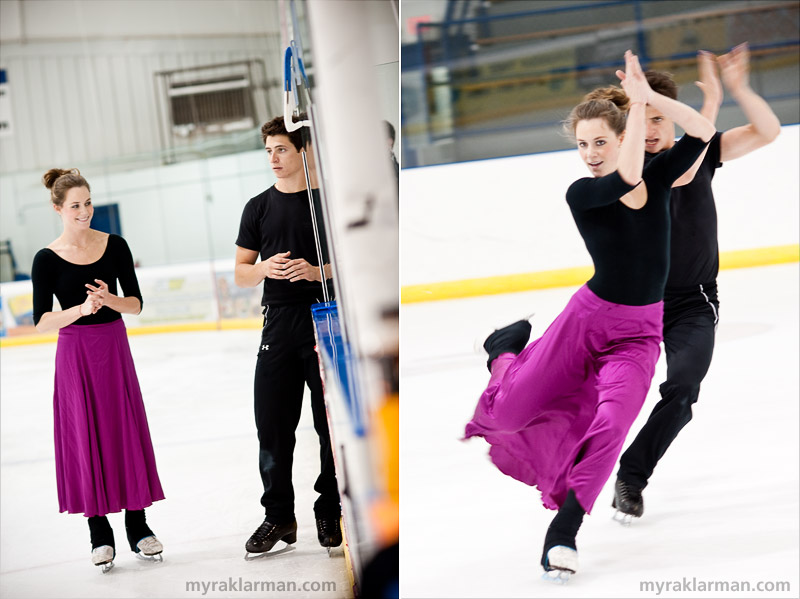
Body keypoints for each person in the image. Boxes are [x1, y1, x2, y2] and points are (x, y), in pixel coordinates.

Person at [463, 50, 716, 581]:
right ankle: (503, 355)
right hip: (585, 322)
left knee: (612, 425)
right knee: (508, 417)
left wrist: (651, 100)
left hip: (638, 335)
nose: (589, 153)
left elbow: (703, 129)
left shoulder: (661, 172)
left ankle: (563, 534)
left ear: (623, 137)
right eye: (582, 144)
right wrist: (638, 106)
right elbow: (623, 181)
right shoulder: (585, 192)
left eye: (600, 141)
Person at [613, 43, 781, 518]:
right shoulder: (625, 167)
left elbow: (767, 132)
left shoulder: (701, 153)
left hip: (693, 303)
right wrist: (703, 109)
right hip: (635, 305)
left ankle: (631, 476)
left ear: (669, 117)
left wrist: (740, 89)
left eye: (657, 118)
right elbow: (679, 174)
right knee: (608, 394)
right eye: (639, 119)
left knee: (683, 390)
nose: (648, 130)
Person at [31, 168, 164, 572]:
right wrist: (81, 309)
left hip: (113, 346)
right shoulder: (47, 259)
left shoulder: (115, 245)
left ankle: (138, 527)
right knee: (85, 434)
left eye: (88, 203)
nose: (85, 211)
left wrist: (110, 300)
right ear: (58, 209)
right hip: (75, 355)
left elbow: (136, 303)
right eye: (75, 206)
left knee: (122, 429)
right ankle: (99, 534)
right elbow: (41, 320)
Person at [234, 114, 342, 556]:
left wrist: (318, 272)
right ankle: (279, 515)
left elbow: (361, 261)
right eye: (269, 151)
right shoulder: (257, 207)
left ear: (302, 151)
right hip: (277, 323)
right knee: (273, 424)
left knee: (327, 421)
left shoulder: (328, 203)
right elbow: (240, 273)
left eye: (281, 149)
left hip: (327, 318)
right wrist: (261, 268)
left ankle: (330, 506)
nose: (274, 158)